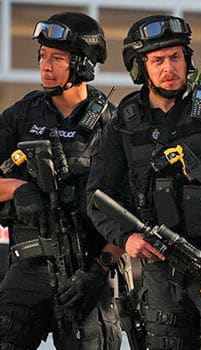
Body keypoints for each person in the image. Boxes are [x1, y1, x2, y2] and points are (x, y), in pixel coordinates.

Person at [86, 15, 201, 349]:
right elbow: (97, 195)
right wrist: (128, 237)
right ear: (141, 68)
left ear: (188, 59)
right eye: (158, 60)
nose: (169, 67)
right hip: (159, 273)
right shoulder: (123, 123)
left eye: (176, 57)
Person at [0, 12, 122, 349]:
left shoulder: (112, 125)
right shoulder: (20, 116)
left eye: (57, 58)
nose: (45, 65)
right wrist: (18, 188)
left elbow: (133, 210)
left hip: (89, 273)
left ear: (82, 64)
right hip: (28, 269)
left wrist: (99, 269)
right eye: (42, 56)